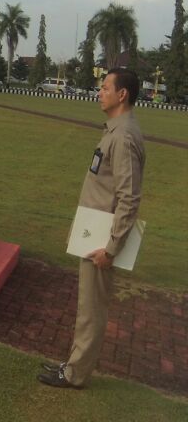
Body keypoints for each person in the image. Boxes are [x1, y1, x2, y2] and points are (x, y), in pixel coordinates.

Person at [39, 68, 145, 389]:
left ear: (122, 94)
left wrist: (111, 249)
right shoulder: (116, 130)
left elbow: (129, 198)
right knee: (87, 304)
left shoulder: (123, 136)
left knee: (92, 307)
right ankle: (74, 364)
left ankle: (75, 374)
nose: (100, 92)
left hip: (102, 239)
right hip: (93, 231)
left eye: (106, 87)